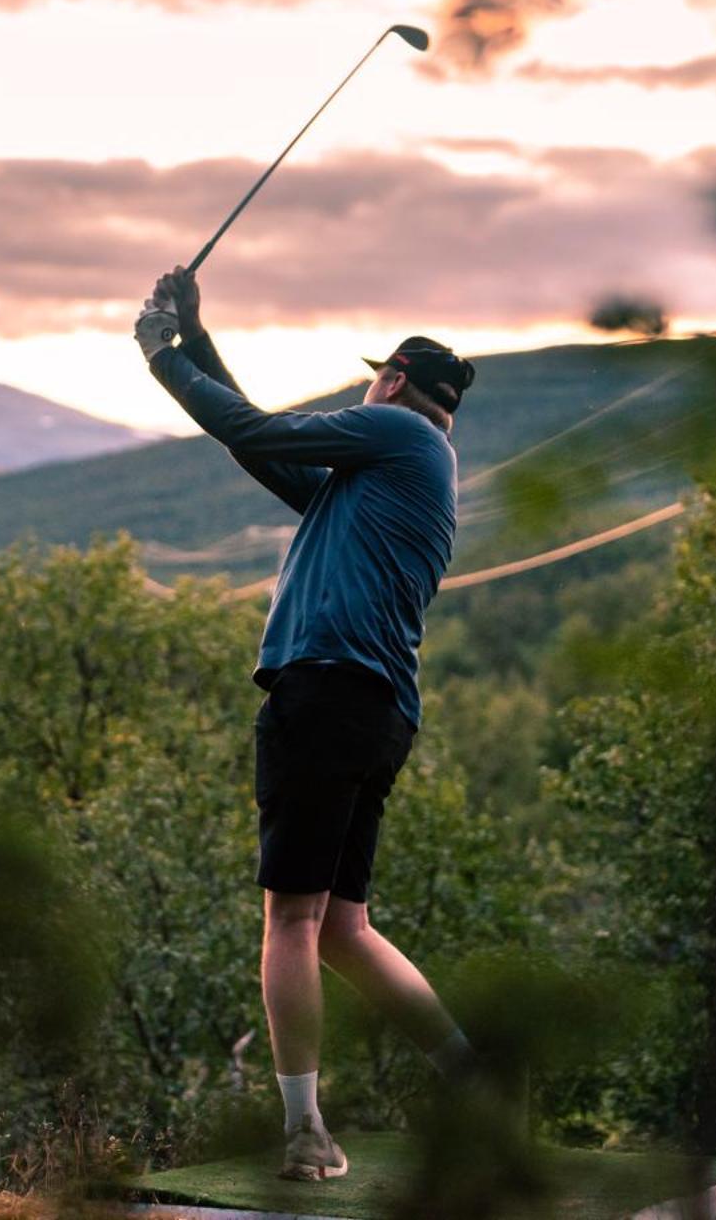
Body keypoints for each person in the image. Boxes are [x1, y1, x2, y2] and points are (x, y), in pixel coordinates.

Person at [135, 265, 481, 1181]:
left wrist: (159, 356)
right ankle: (472, 1080)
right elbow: (261, 451)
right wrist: (199, 339)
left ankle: (305, 1134)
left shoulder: (392, 431)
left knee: (291, 920)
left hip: (325, 694)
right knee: (343, 929)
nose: (369, 388)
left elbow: (252, 426)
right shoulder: (402, 476)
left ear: (395, 380)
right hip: (377, 710)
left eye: (375, 376)